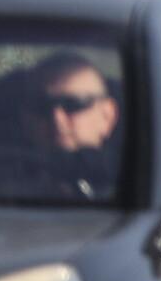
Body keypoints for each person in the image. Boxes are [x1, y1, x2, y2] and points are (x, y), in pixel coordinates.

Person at [23, 52, 121, 200]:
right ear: (25, 118)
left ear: (107, 116)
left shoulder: (139, 184)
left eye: (74, 104)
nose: (57, 118)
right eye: (41, 106)